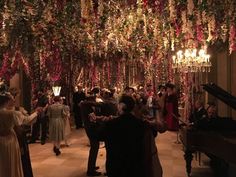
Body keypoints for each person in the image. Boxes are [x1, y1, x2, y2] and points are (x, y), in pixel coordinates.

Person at [98, 95, 146, 177]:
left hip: (116, 165)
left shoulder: (112, 124)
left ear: (122, 106)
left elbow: (100, 136)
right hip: (134, 165)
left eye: (118, 104)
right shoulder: (140, 124)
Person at [0, 93, 23, 177]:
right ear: (6, 102)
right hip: (10, 139)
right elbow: (20, 127)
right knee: (11, 161)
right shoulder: (11, 113)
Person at [80, 96, 102, 176]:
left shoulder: (84, 105)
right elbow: (93, 119)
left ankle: (92, 166)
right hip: (92, 130)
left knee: (94, 148)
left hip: (89, 129)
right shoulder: (87, 107)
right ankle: (90, 170)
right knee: (94, 148)